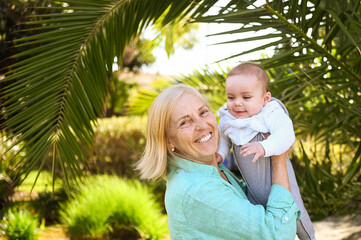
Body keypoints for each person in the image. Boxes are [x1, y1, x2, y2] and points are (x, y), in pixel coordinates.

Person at [136, 84, 300, 240]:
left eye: (203, 112)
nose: (201, 125)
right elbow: (278, 234)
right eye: (184, 122)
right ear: (168, 141)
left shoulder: (207, 168)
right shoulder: (198, 190)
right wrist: (279, 158)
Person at [216, 62, 315, 240]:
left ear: (265, 98)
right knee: (261, 227)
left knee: (296, 217)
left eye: (246, 97)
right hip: (253, 190)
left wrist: (264, 146)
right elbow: (223, 138)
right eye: (231, 97)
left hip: (281, 184)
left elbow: (287, 136)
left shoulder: (270, 113)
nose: (237, 103)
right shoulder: (228, 119)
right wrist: (221, 154)